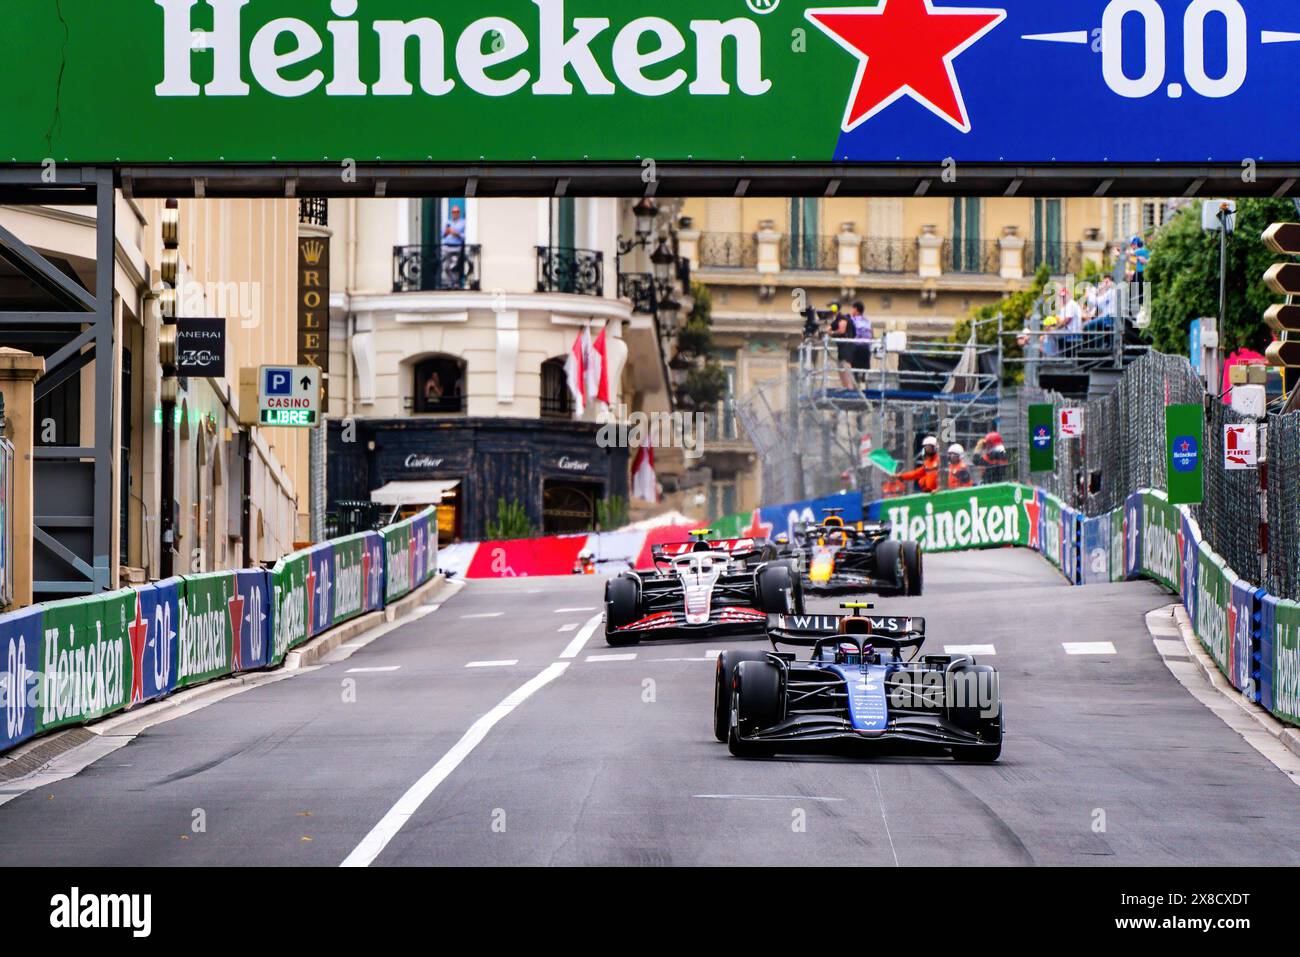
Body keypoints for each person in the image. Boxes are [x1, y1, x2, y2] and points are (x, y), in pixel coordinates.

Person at [827, 303, 856, 390]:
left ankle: (850, 387)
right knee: (840, 366)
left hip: (847, 346)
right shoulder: (836, 320)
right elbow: (828, 329)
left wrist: (832, 333)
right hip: (841, 347)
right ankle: (845, 386)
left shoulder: (842, 318)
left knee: (846, 365)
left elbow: (842, 330)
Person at [442, 205, 467, 288]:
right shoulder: (448, 222)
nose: (455, 213)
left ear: (459, 213)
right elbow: (442, 235)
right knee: (446, 267)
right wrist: (446, 232)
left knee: (454, 266)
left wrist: (456, 233)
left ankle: (456, 284)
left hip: (456, 247)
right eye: (453, 212)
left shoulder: (463, 223)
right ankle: (450, 283)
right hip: (447, 247)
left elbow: (465, 236)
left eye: (457, 211)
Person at [850, 301, 873, 379]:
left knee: (854, 371)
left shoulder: (852, 320)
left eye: (852, 309)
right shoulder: (867, 321)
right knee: (864, 371)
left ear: (856, 309)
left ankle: (855, 385)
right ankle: (863, 380)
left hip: (856, 348)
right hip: (866, 349)